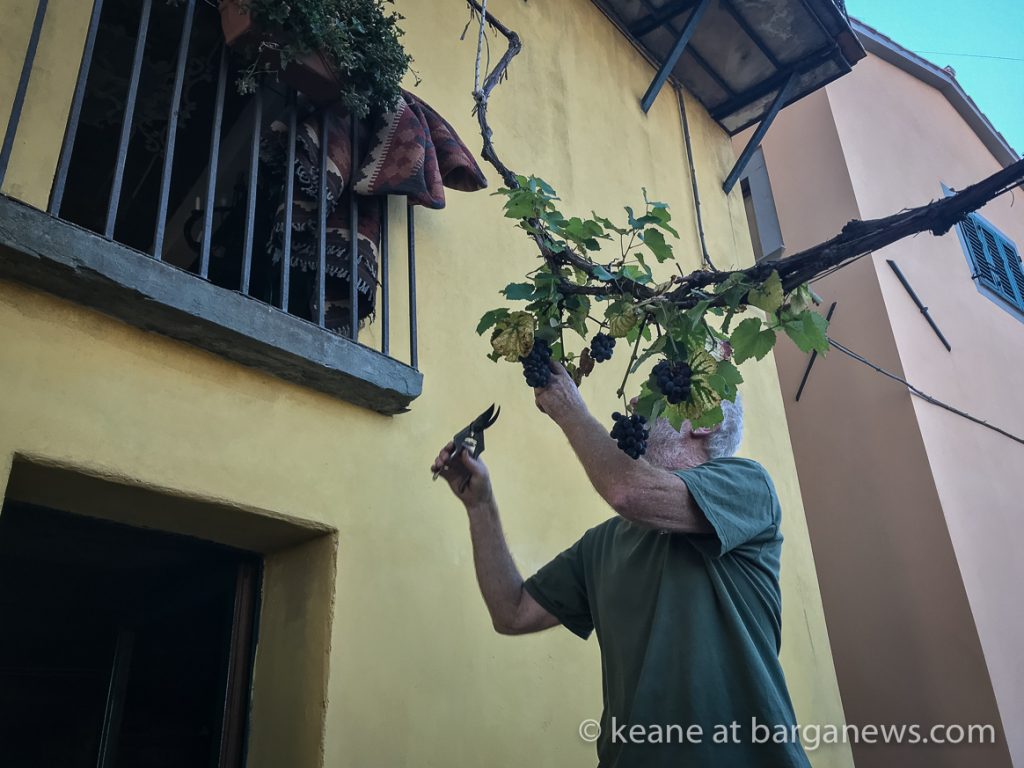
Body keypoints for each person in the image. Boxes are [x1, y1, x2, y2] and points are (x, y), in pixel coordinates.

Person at [430, 358, 812, 767]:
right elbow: (512, 612)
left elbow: (629, 492)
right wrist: (480, 504)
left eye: (653, 394)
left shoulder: (748, 486)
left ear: (703, 418)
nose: (633, 401)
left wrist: (568, 408)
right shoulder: (604, 542)